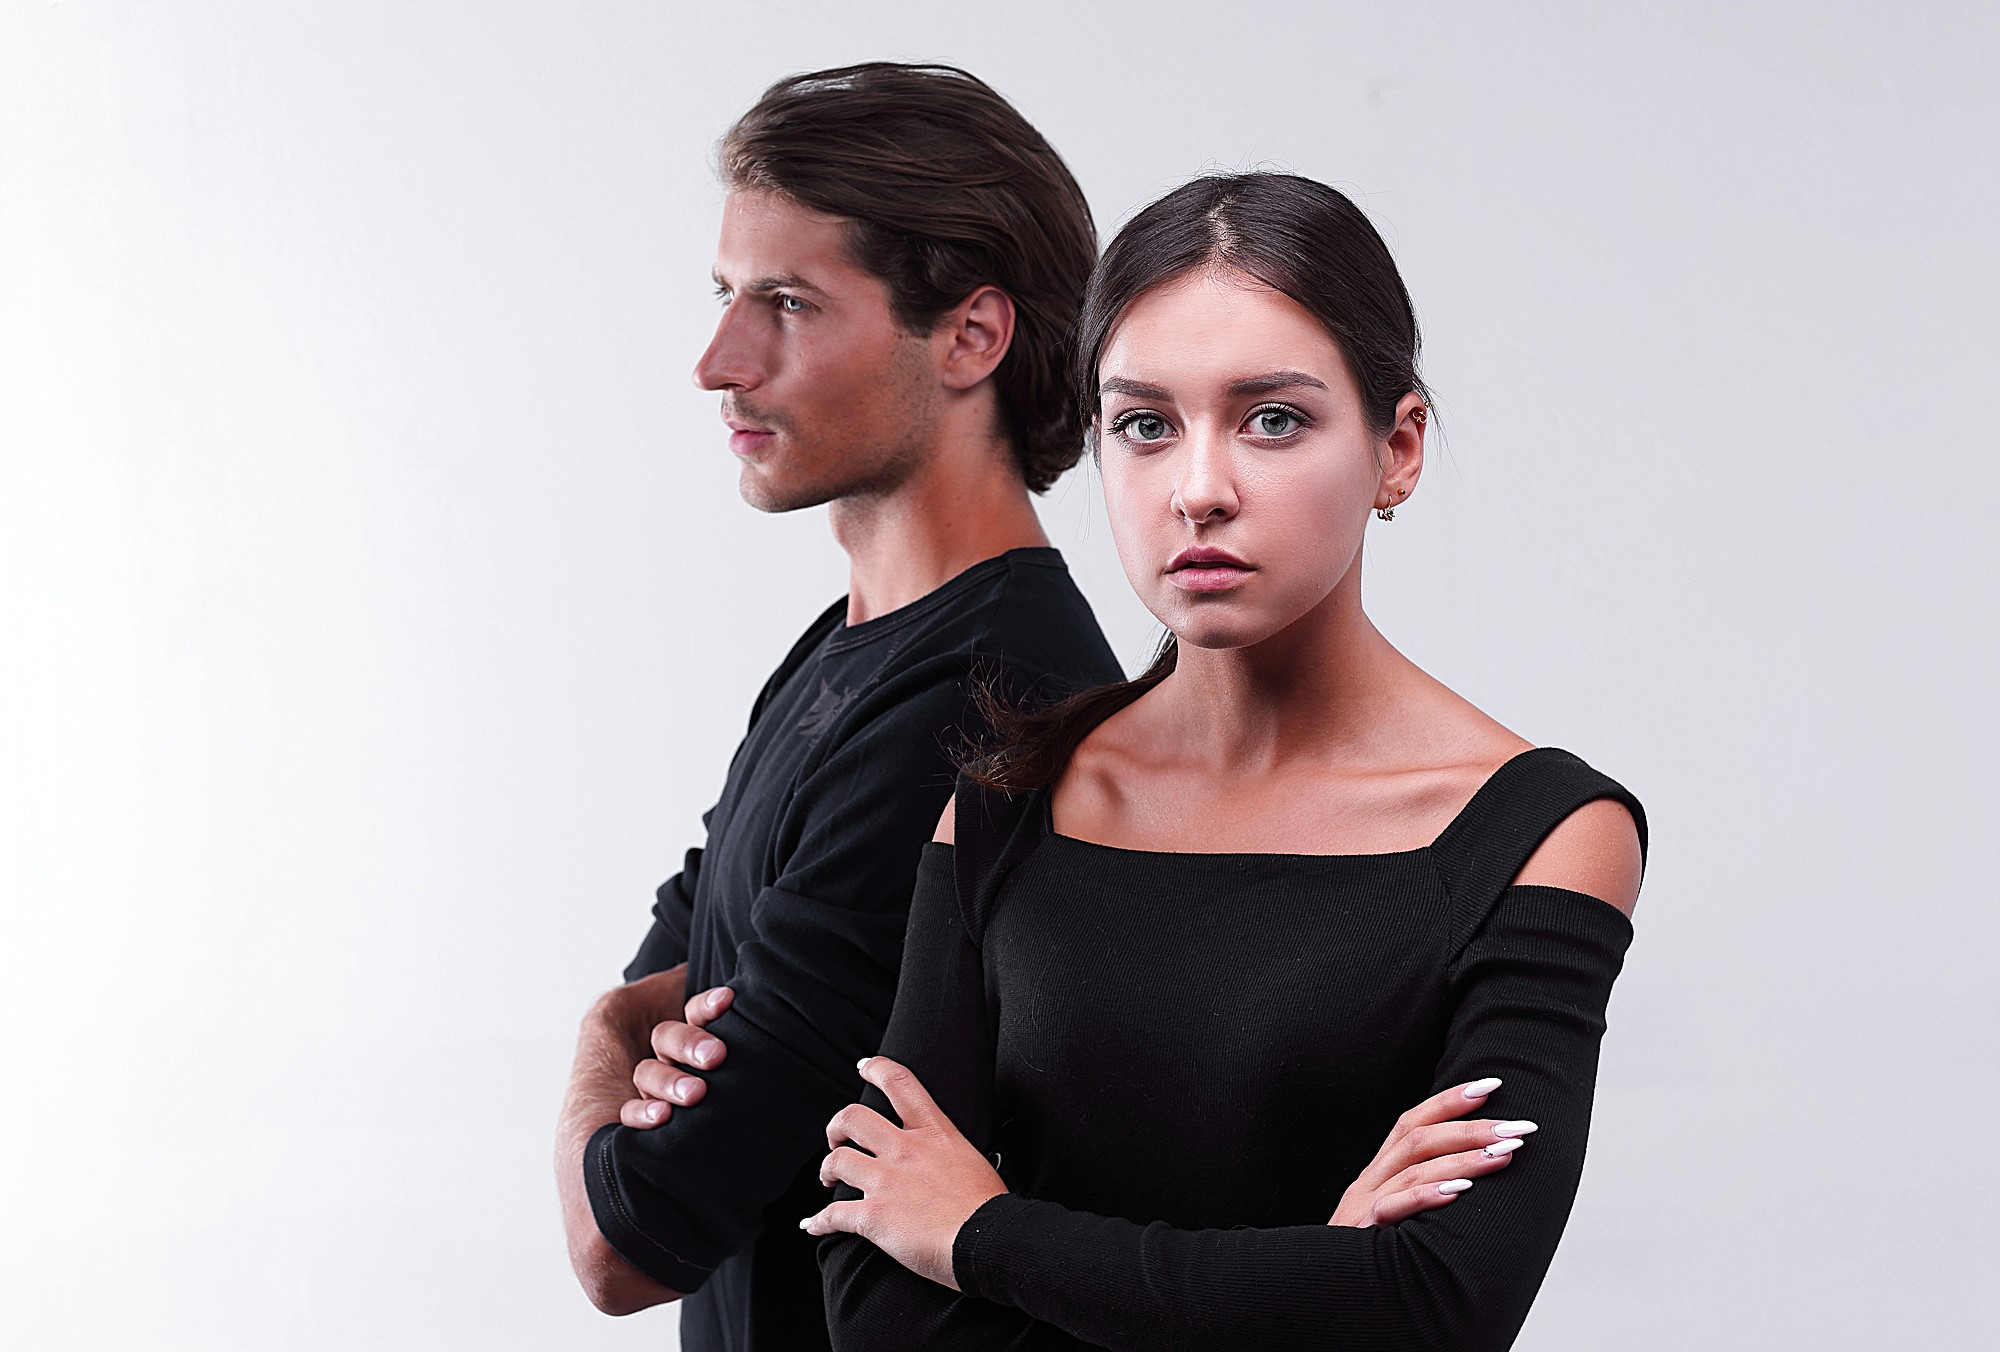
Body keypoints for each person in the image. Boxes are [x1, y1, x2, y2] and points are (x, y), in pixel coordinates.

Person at [801, 171, 1650, 1351]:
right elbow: (872, 1305)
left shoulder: (1540, 833)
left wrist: (982, 1234)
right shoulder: (1006, 801)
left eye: (1271, 419)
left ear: (1396, 447)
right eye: (1144, 424)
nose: (1198, 489)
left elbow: (1432, 1310)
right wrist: (1306, 1282)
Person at [551, 63, 1126, 1351]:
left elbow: (630, 1237)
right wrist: (644, 1027)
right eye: (724, 295)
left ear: (971, 337)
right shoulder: (848, 648)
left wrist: (601, 1034)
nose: (719, 360)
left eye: (788, 304)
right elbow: (683, 943)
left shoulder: (986, 699)